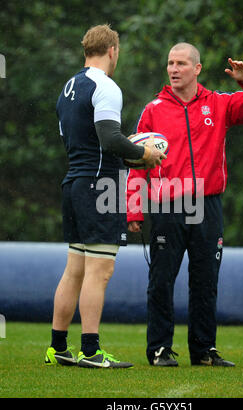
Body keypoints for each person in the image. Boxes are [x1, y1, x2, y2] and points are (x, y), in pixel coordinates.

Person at [127, 42, 243, 367]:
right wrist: (134, 209)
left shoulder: (219, 104)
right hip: (168, 206)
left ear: (197, 69)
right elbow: (136, 162)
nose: (173, 69)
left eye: (180, 63)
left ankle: (204, 350)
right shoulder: (153, 110)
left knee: (206, 280)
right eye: (170, 63)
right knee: (162, 280)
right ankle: (160, 349)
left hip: (208, 205)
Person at [45, 24, 165, 369]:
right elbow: (110, 139)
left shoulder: (68, 87)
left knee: (75, 269)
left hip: (74, 183)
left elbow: (84, 140)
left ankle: (58, 347)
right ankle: (92, 351)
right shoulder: (106, 86)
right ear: (113, 50)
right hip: (99, 187)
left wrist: (127, 151)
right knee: (101, 269)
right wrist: (144, 156)